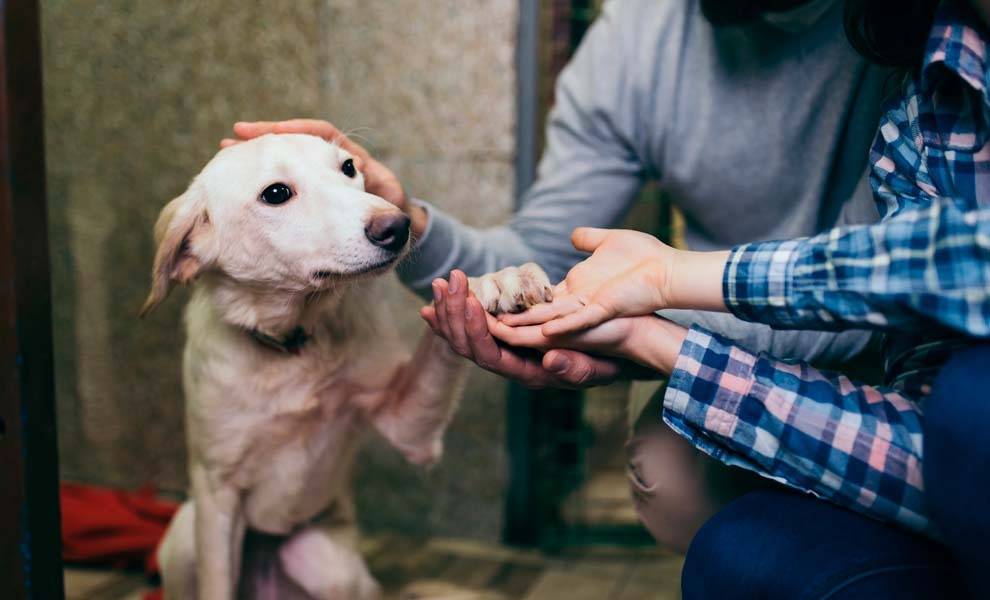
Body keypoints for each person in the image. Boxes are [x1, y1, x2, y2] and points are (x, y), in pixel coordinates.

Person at [228, 0, 892, 551]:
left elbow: (891, 276)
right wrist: (410, 228)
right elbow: (541, 257)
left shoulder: (907, 30)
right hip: (730, 330)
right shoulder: (636, 40)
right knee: (671, 480)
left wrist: (644, 334)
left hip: (906, 333)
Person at [486, 0, 990, 595]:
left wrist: (673, 280)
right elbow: (935, 454)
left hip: (867, 350)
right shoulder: (925, 85)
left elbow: (947, 260)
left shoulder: (874, 65)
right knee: (730, 550)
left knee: (969, 402)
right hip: (932, 418)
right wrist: (649, 339)